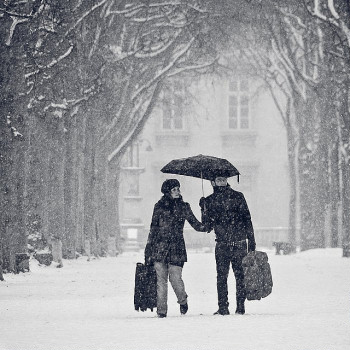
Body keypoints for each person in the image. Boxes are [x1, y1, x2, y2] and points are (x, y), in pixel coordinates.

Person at [145, 179, 208, 318]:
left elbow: (197, 225)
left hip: (176, 248)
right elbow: (153, 229)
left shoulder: (184, 206)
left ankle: (182, 300)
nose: (177, 192)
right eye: (174, 189)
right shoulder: (159, 206)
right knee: (160, 282)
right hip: (159, 248)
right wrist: (148, 251)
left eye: (178, 189)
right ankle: (161, 311)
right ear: (167, 191)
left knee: (175, 279)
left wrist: (205, 213)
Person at [199, 175, 256, 315]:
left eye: (223, 179)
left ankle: (240, 306)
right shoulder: (209, 201)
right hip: (223, 243)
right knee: (222, 276)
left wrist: (251, 241)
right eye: (218, 180)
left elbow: (247, 219)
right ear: (213, 182)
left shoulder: (237, 196)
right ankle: (223, 307)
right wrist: (203, 209)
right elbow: (207, 227)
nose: (222, 182)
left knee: (239, 276)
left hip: (238, 243)